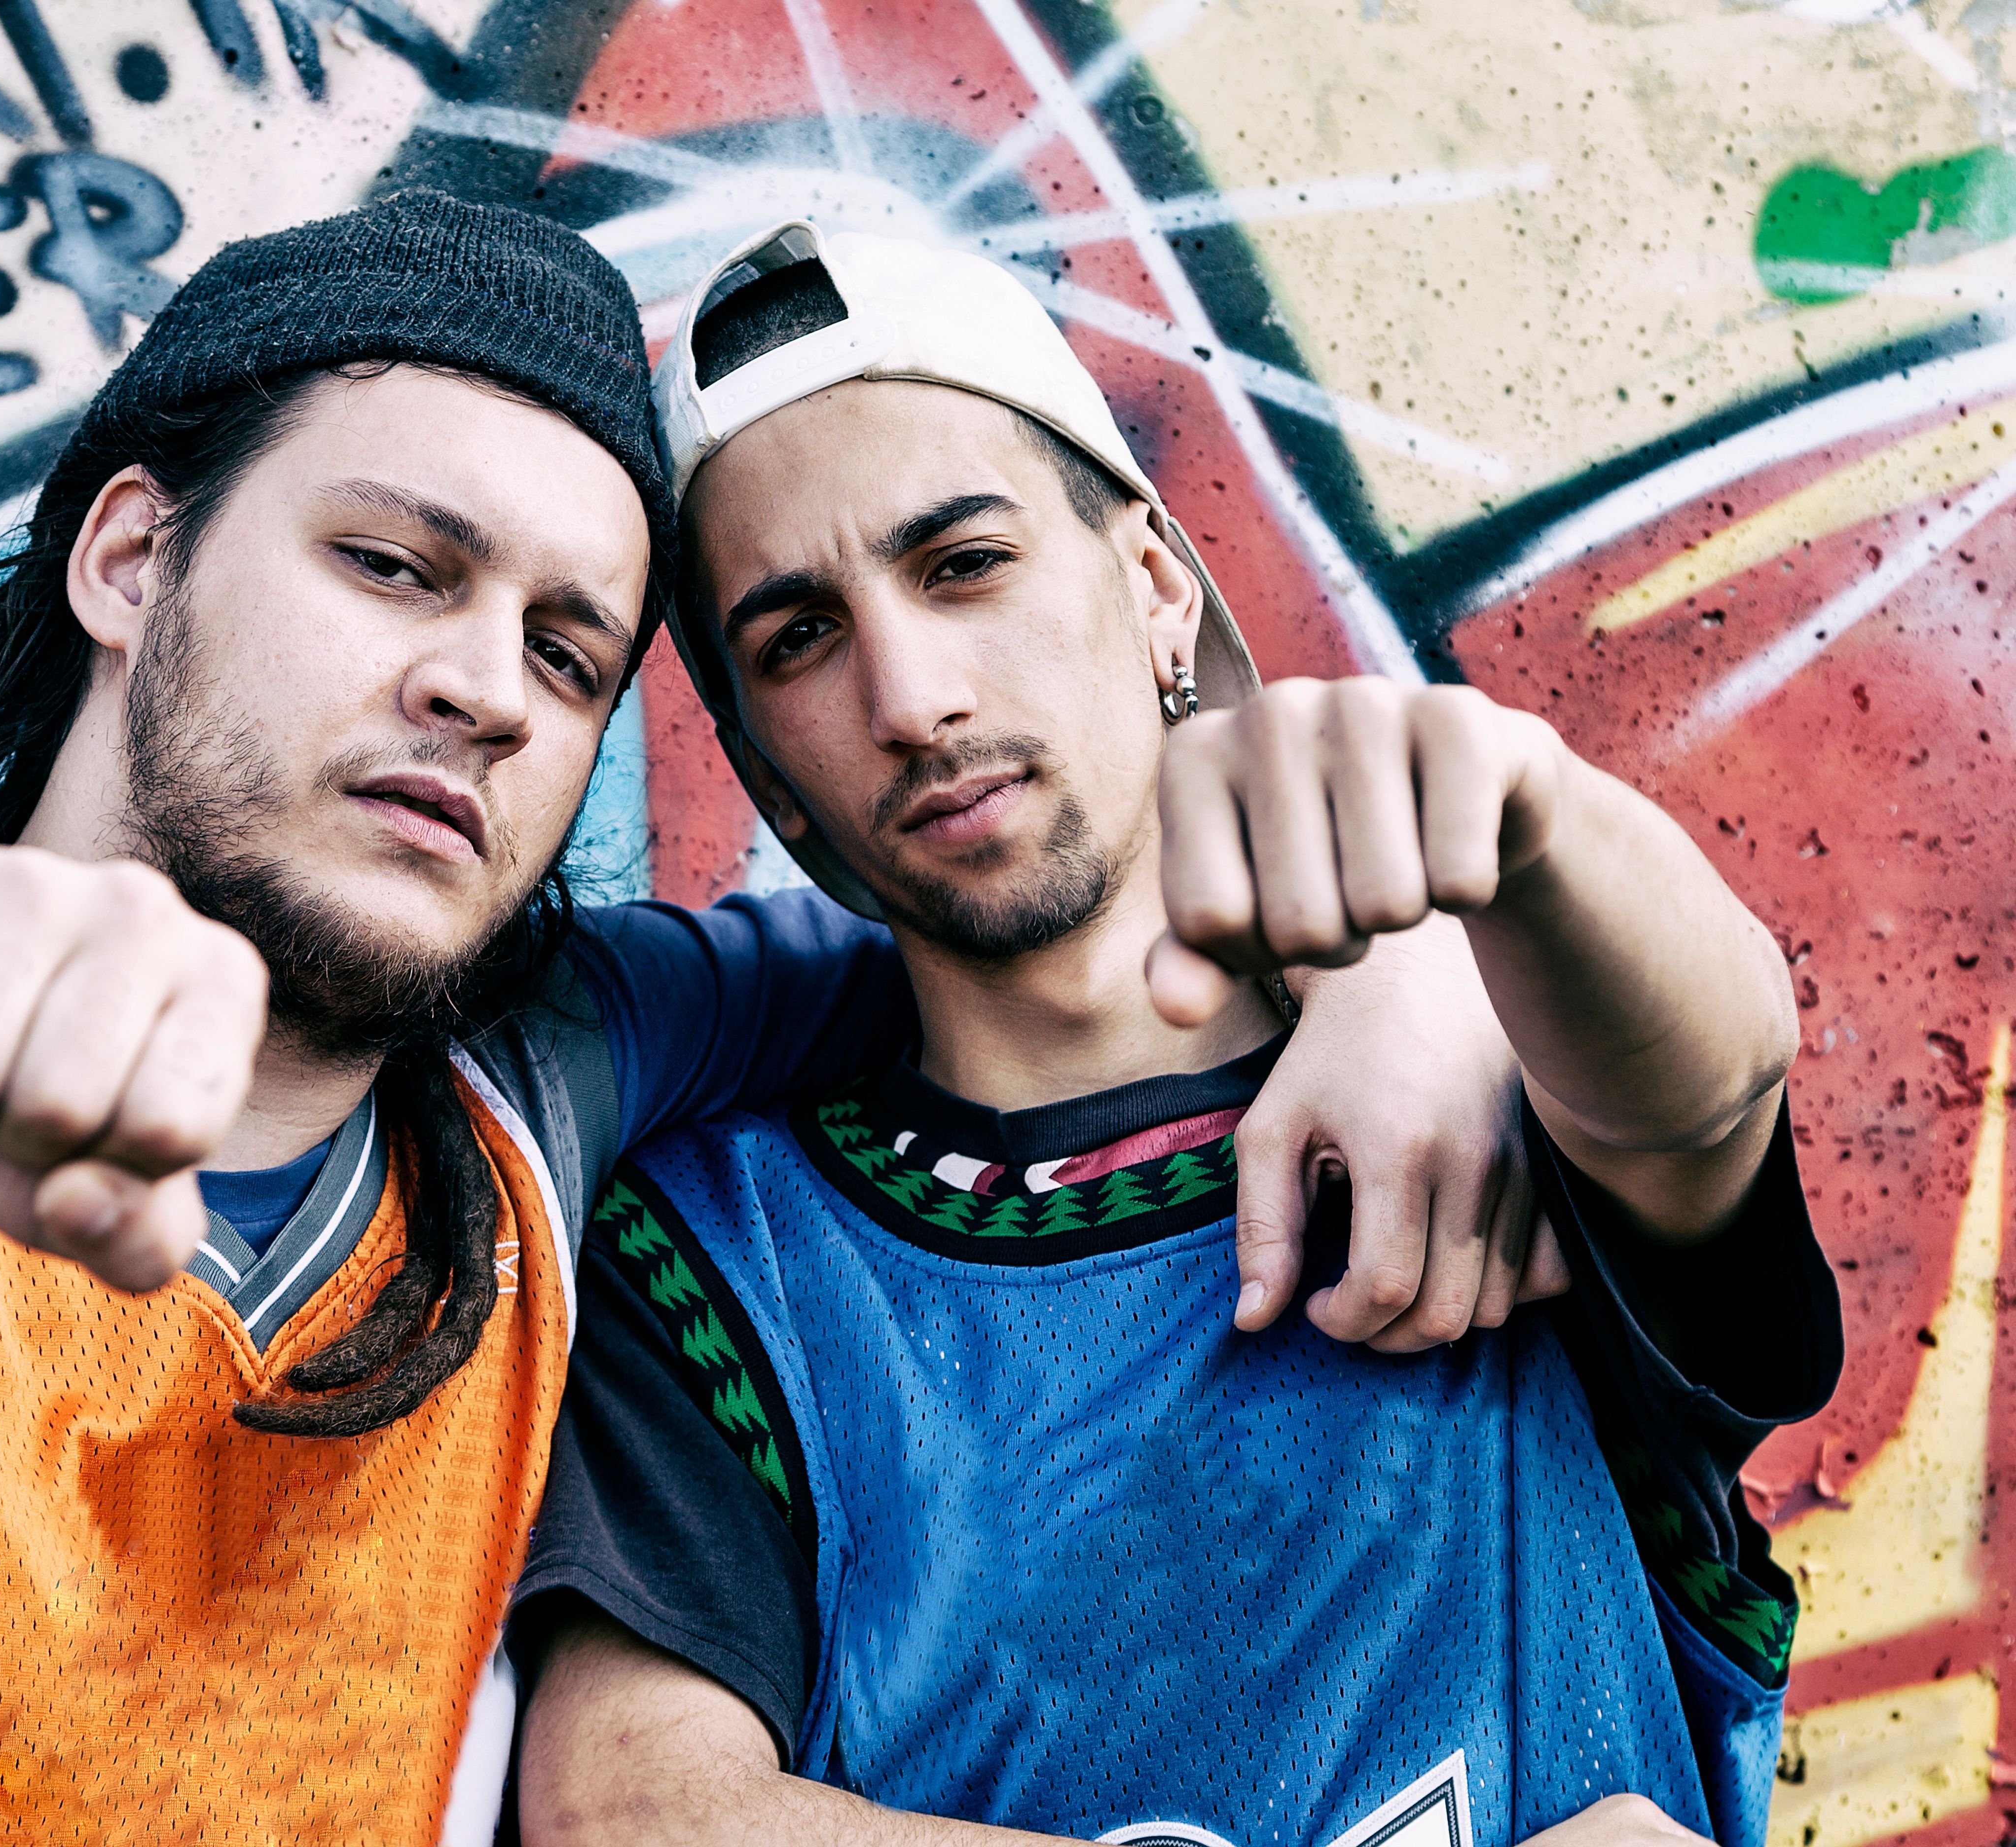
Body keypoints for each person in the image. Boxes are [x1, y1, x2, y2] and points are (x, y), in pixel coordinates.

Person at [0, 196, 1522, 1846]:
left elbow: (1044, 926)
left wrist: (1402, 956)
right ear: (134, 558)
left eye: (568, 651)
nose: (482, 682)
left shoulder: (542, 1098)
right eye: (395, 567)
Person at [511, 222, 1842, 1847]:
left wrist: (1516, 815)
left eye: (964, 563)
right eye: (800, 638)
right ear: (761, 765)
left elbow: (1713, 1087)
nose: (911, 695)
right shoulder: (714, 1264)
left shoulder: (1492, 1083)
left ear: (1153, 585)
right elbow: (630, 1815)